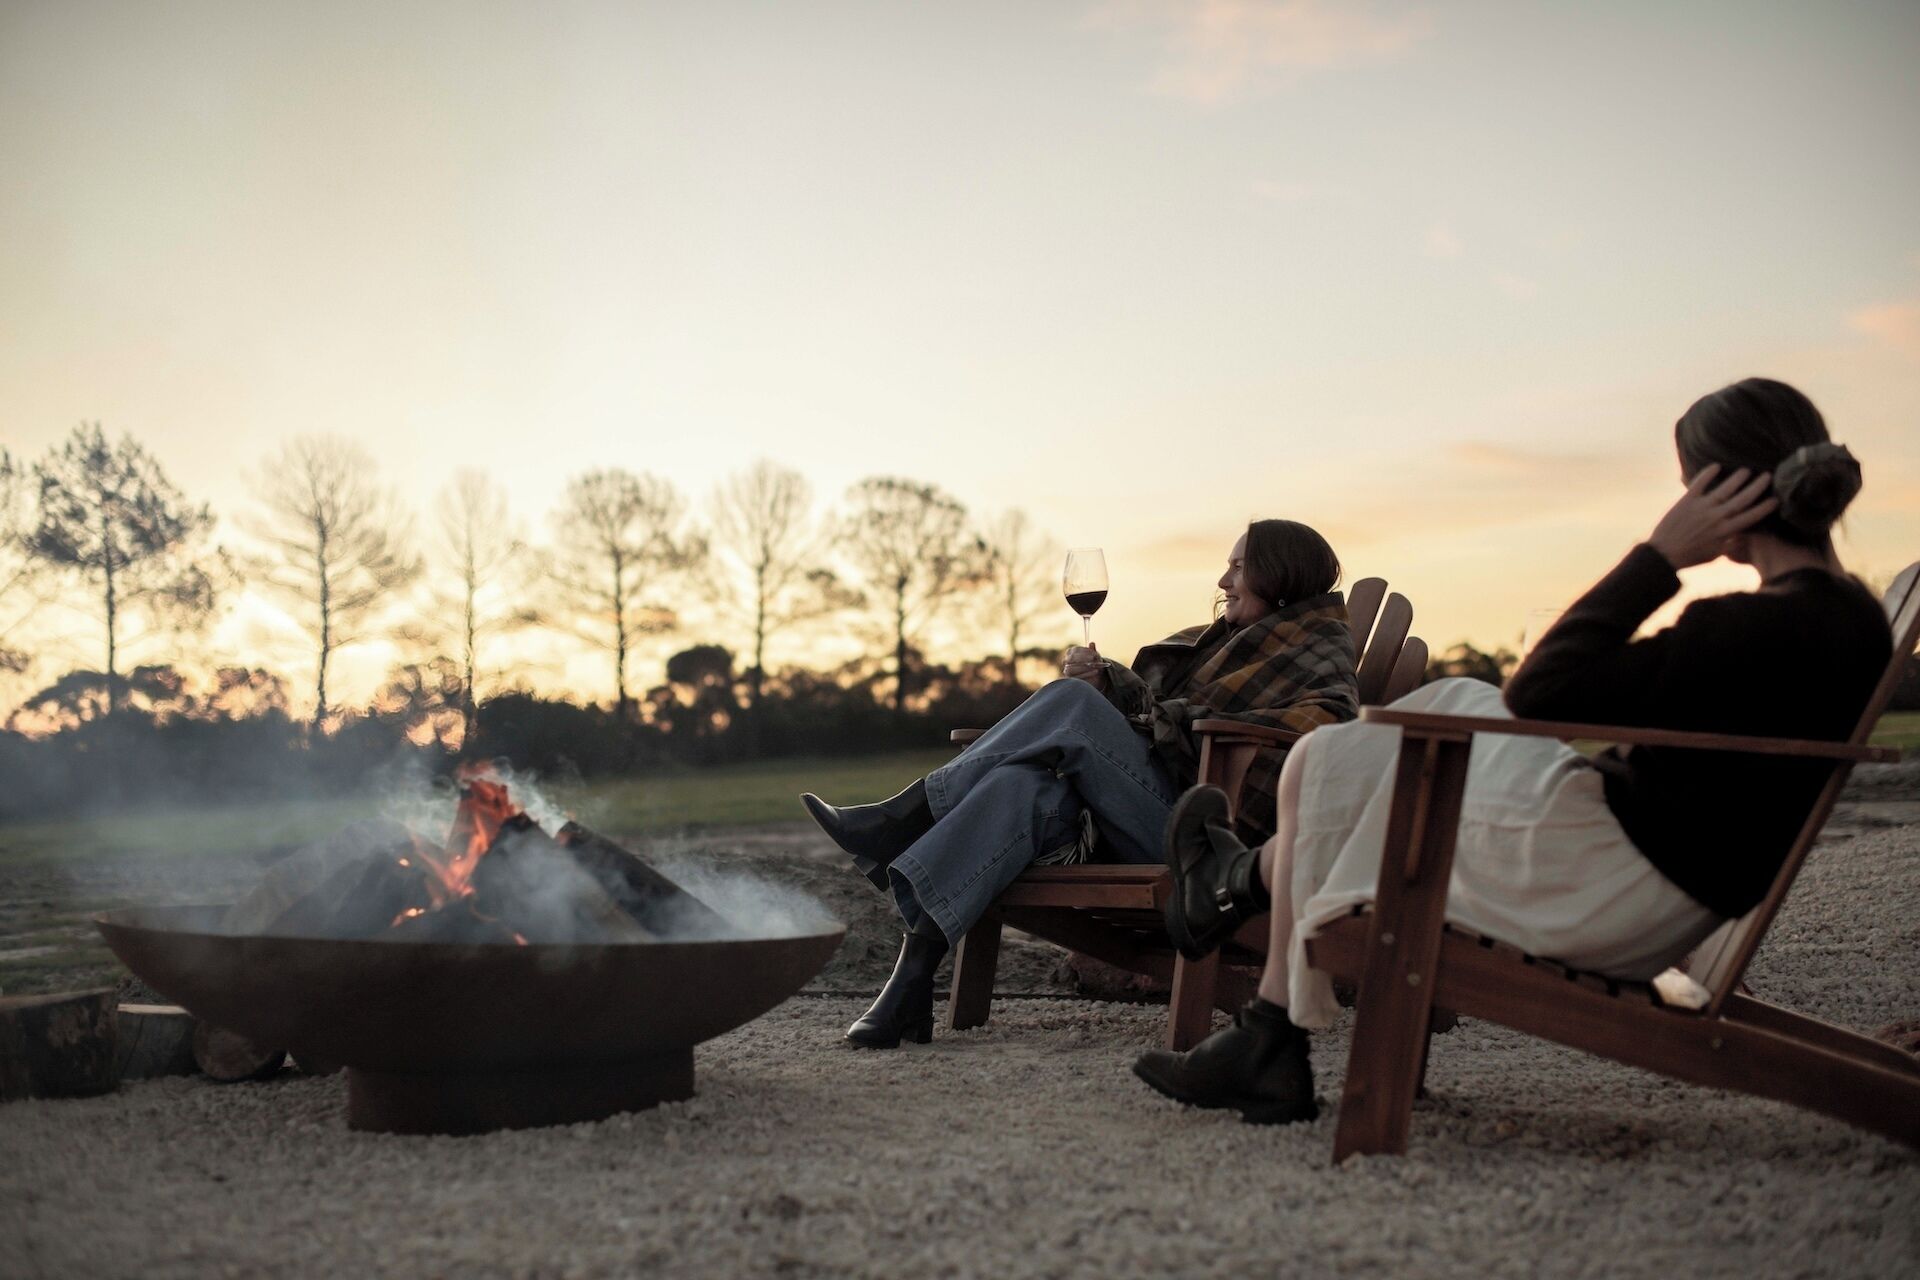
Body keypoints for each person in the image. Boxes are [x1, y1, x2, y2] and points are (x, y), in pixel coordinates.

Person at [1134, 377, 1893, 1124]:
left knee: (1376, 750)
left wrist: (1659, 555)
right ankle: (1260, 997)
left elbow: (1543, 691)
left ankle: (1245, 907)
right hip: (1633, 867)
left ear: (1722, 490)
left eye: (1689, 485)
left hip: (1603, 889)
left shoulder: (1755, 629)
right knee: (1426, 715)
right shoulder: (1839, 617)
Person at [802, 519, 1360, 1048]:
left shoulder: (1318, 646)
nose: (1223, 581)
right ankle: (912, 981)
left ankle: (907, 816)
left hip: (1209, 844)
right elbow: (1158, 711)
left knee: (1071, 703)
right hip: (1144, 812)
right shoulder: (1221, 642)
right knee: (1018, 786)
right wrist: (1112, 687)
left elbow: (1323, 729)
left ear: (1278, 572)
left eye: (1238, 567)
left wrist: (1152, 714)